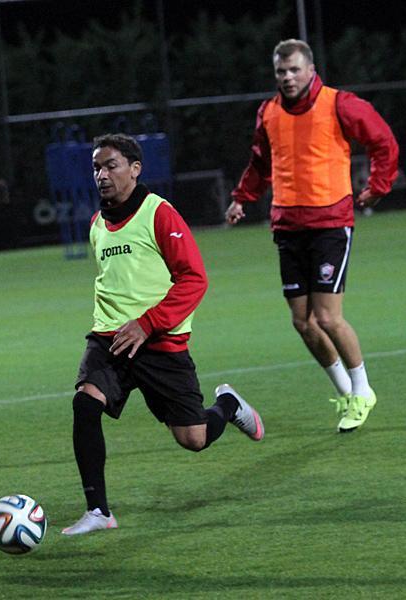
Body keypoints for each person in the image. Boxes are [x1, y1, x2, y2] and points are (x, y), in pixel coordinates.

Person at [63, 133, 264, 536]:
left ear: (135, 169)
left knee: (194, 438)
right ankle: (98, 510)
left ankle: (227, 404)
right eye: (97, 168)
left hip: (160, 342)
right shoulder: (97, 224)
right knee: (85, 404)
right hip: (110, 338)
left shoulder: (159, 214)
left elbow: (194, 279)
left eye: (111, 166)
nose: (102, 175)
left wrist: (148, 323)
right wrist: (123, 324)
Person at [226, 39, 399, 433]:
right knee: (303, 322)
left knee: (327, 317)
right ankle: (346, 392)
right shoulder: (269, 112)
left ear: (310, 70)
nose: (287, 77)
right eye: (281, 72)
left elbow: (383, 141)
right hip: (288, 226)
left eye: (294, 70)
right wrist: (241, 199)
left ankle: (363, 390)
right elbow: (261, 163)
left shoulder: (340, 104)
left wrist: (378, 185)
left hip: (330, 223)